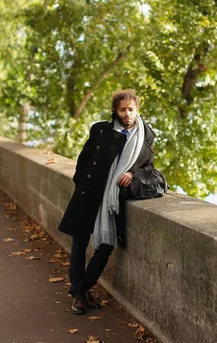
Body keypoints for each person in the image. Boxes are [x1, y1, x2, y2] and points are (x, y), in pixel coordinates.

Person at [58, 89, 156, 315]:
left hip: (113, 201)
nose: (127, 114)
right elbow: (84, 158)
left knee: (105, 248)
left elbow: (148, 166)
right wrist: (81, 182)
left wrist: (132, 173)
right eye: (122, 109)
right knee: (79, 246)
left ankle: (80, 292)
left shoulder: (146, 135)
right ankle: (80, 295)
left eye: (131, 109)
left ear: (137, 110)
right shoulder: (100, 130)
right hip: (89, 194)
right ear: (115, 110)